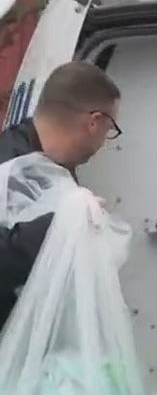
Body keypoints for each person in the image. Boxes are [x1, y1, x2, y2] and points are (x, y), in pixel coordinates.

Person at [0, 61, 121, 329]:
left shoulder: (53, 167)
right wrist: (66, 221)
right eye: (110, 128)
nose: (105, 141)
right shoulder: (9, 169)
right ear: (94, 122)